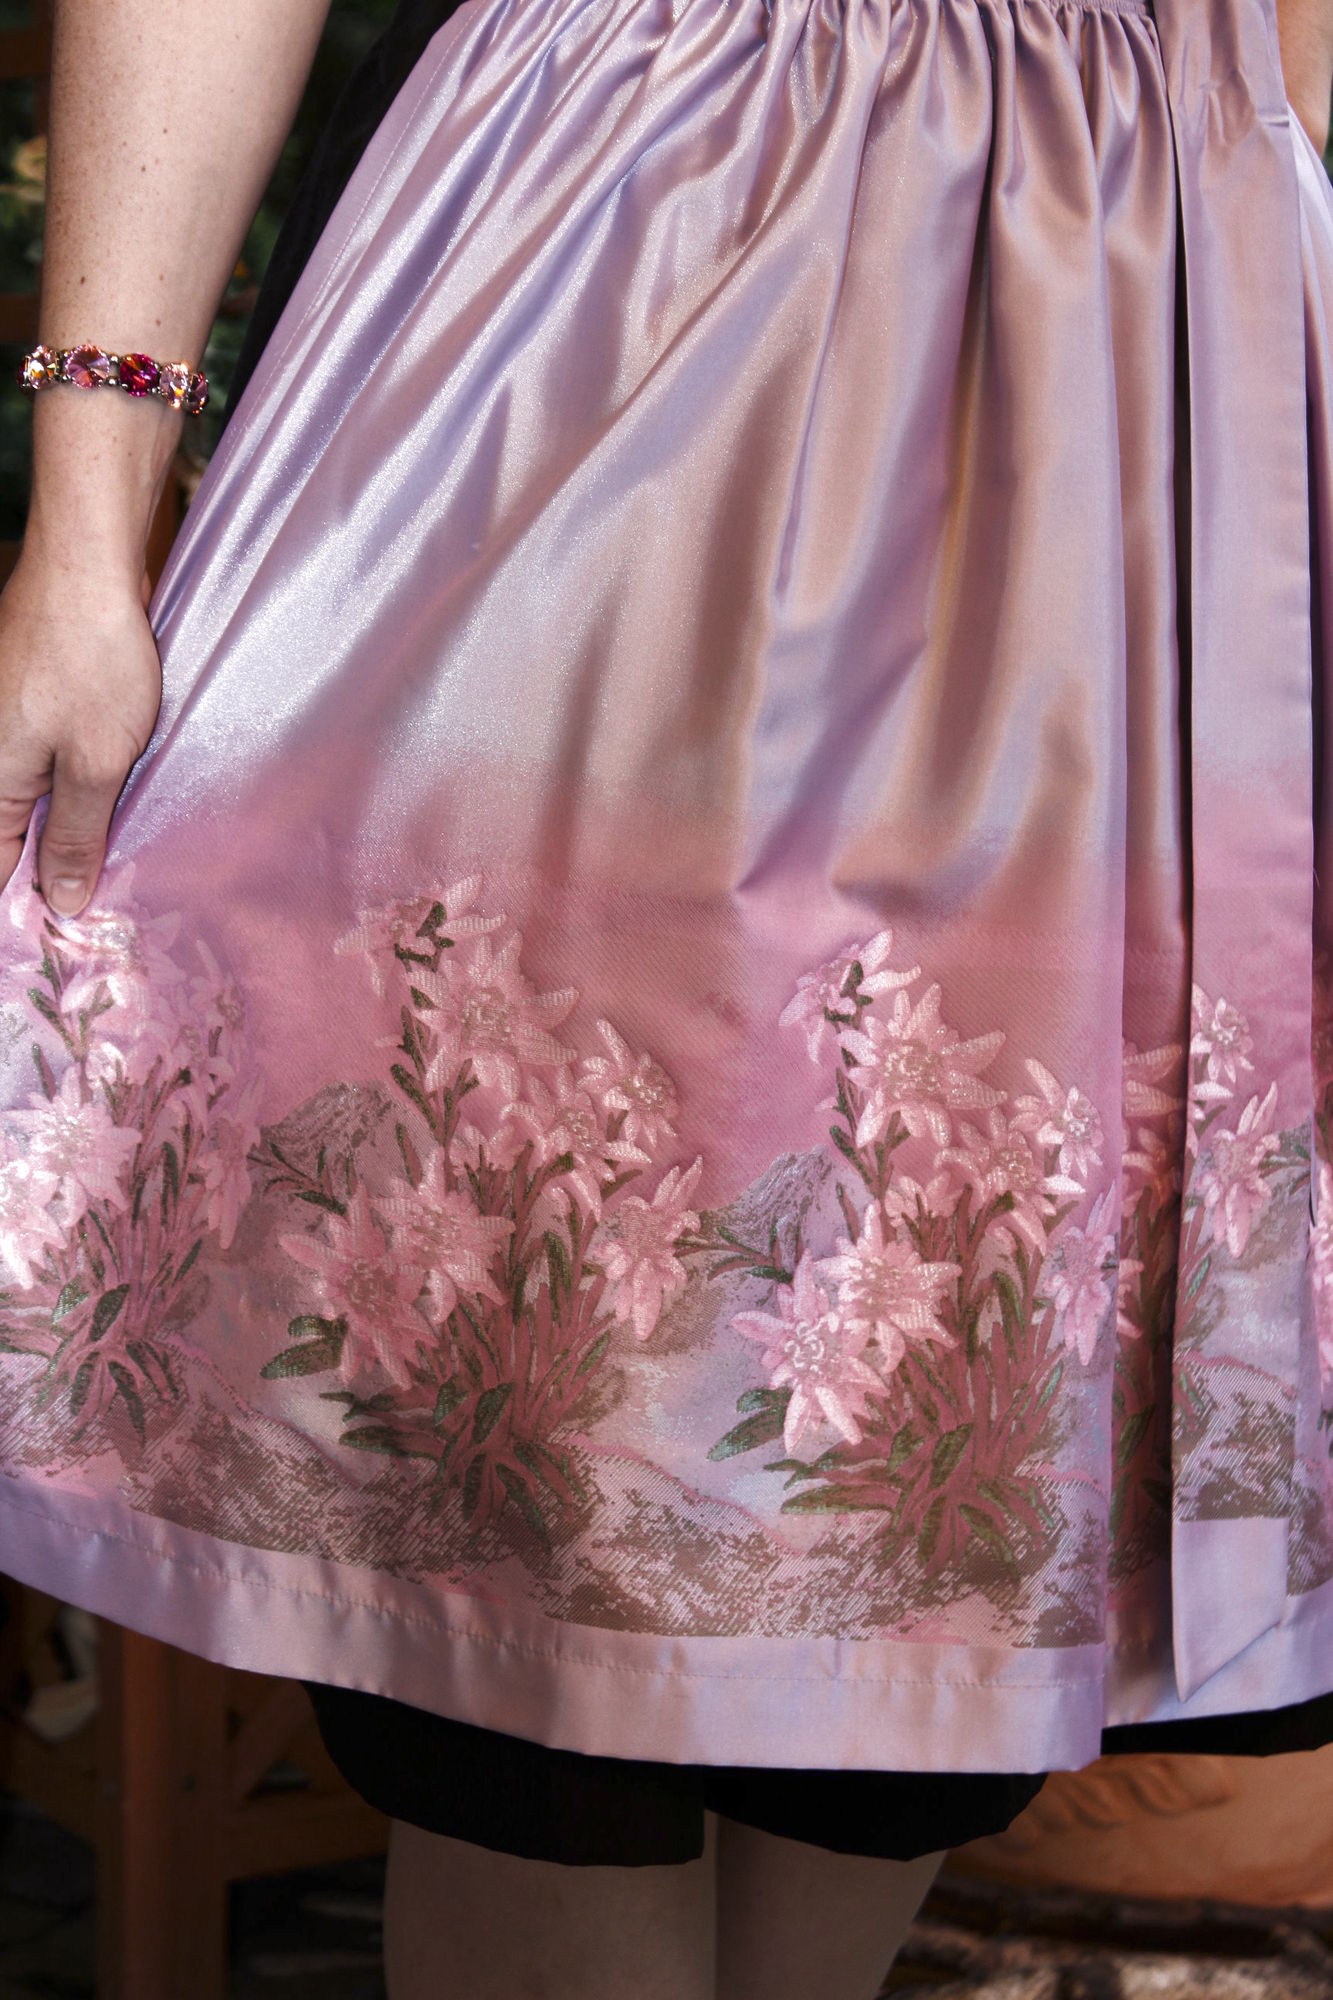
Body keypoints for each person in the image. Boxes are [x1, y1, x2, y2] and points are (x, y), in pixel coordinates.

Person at [1, 0, 1333, 1993]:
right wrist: (87, 513)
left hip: (1134, 354)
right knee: (527, 1551)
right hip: (615, 287)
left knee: (924, 1559)